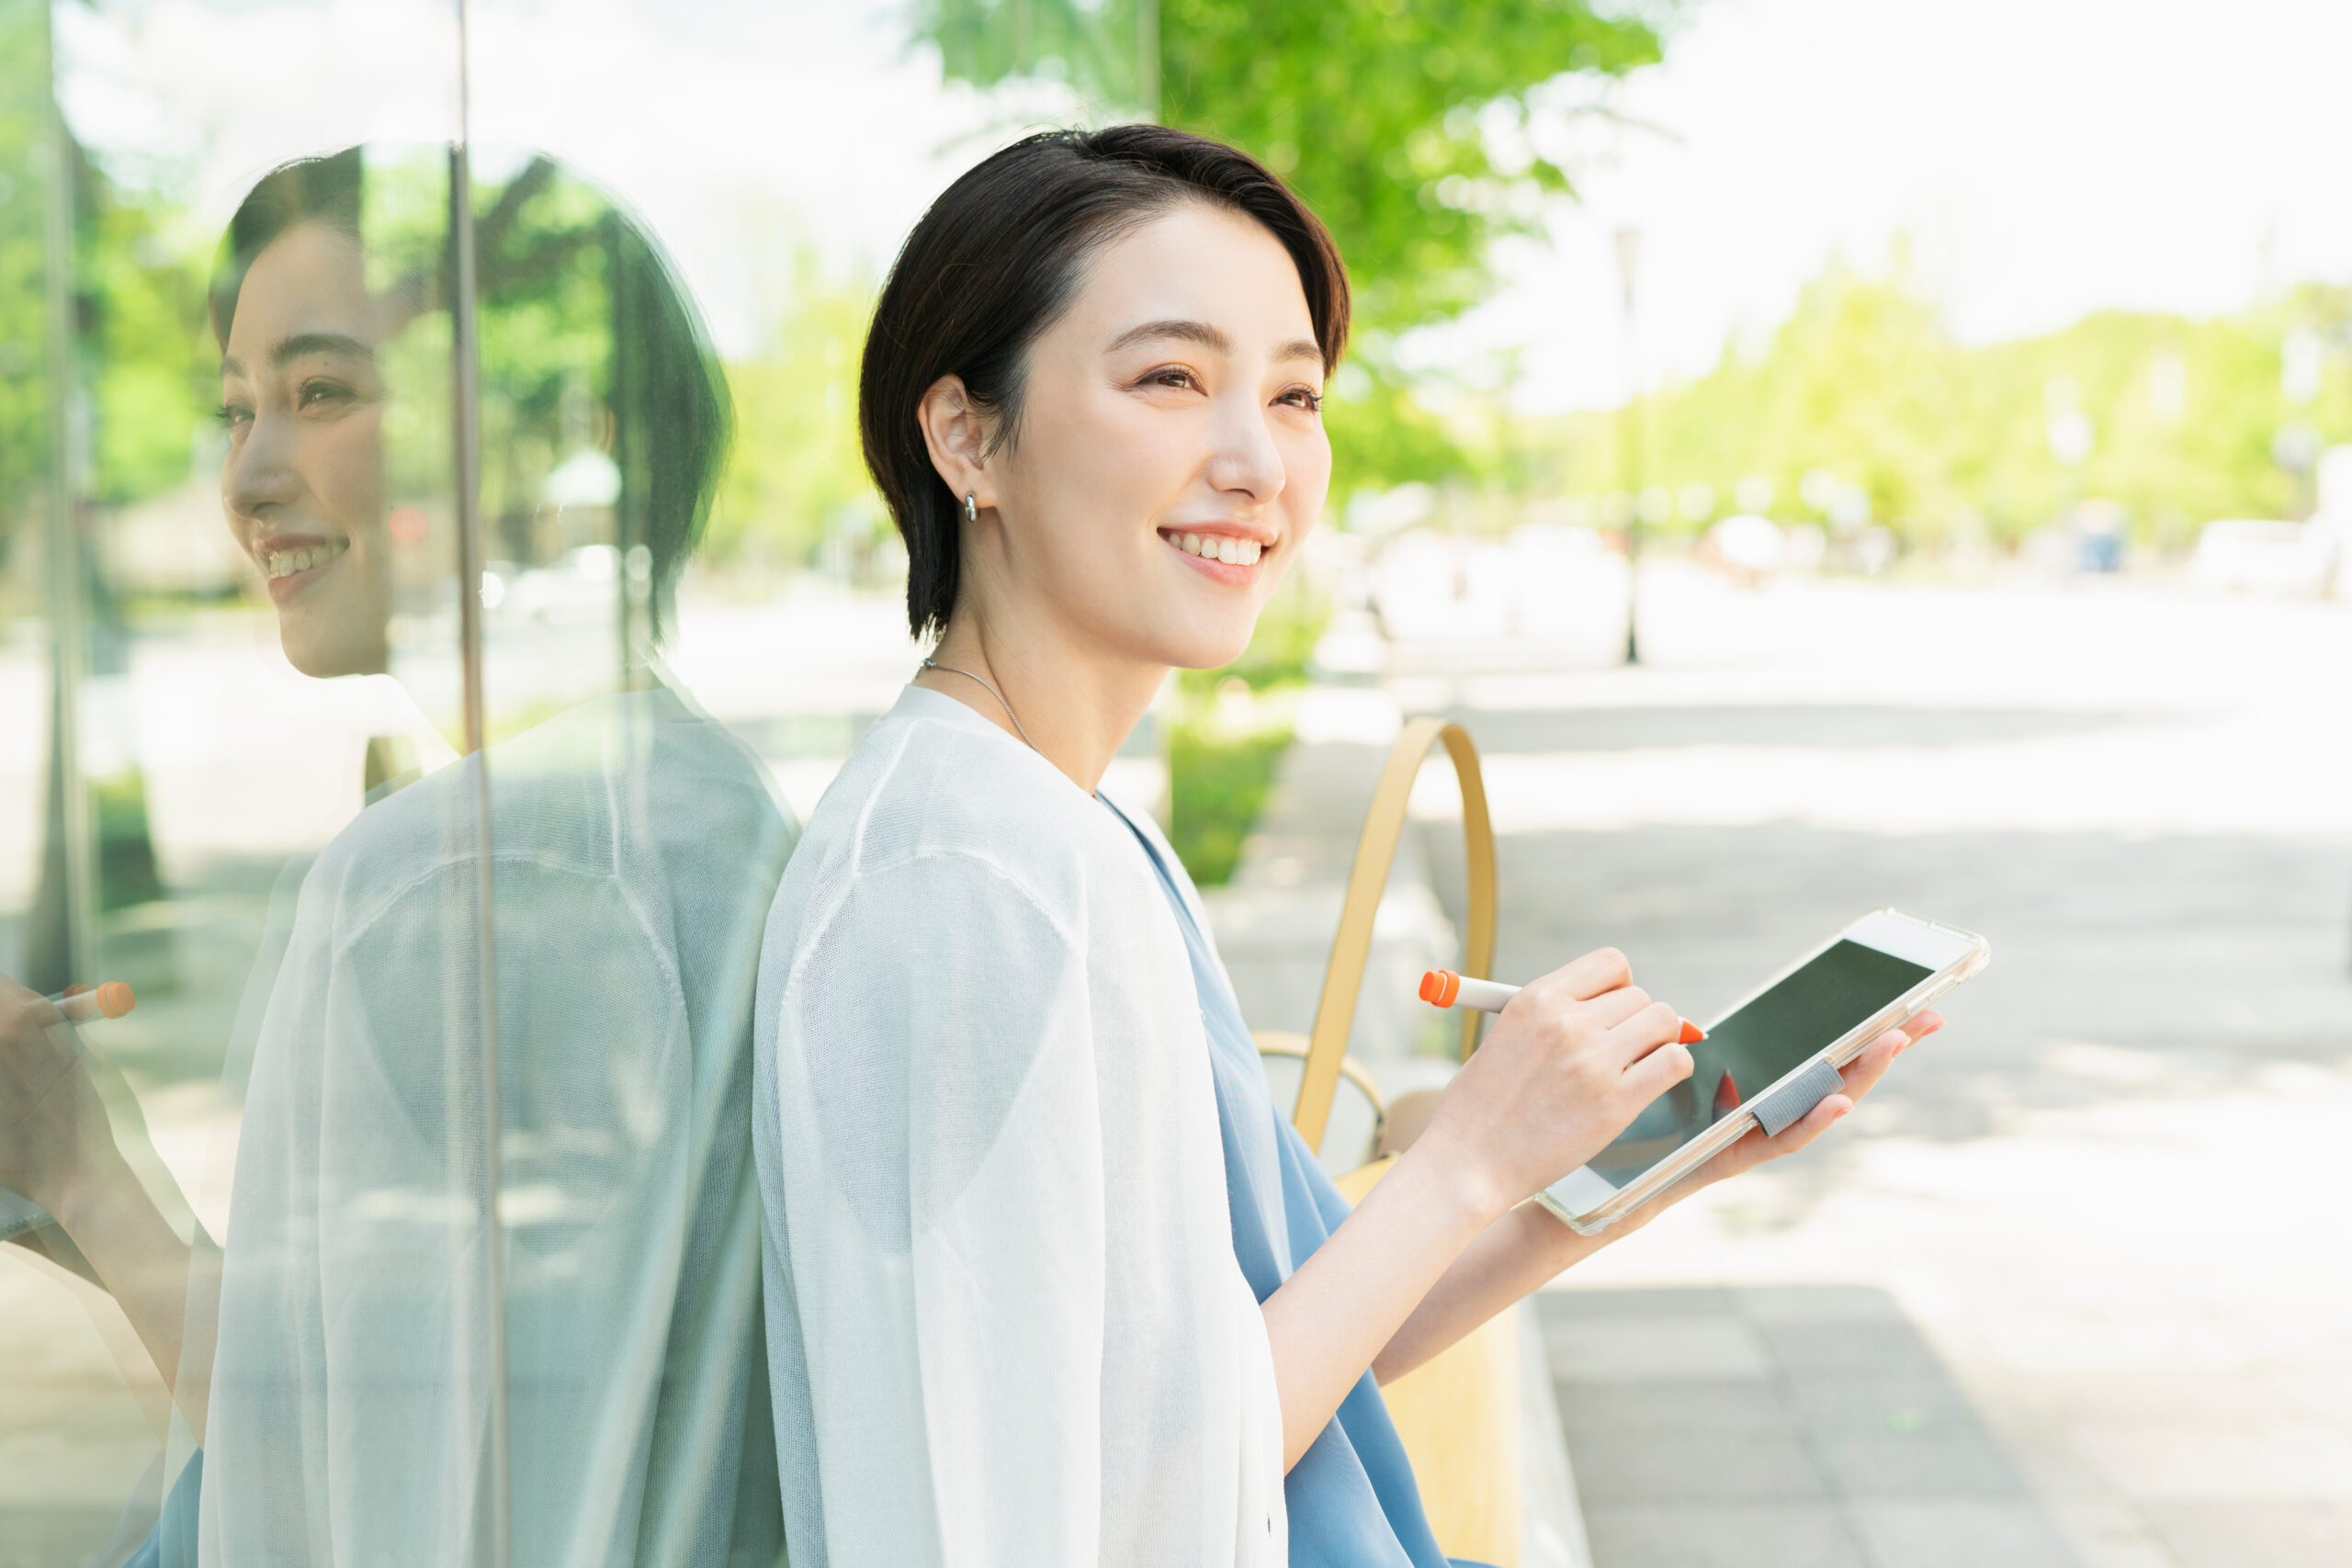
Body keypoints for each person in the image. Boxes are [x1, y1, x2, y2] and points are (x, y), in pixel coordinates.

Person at [753, 124, 1944, 1568]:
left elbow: (1289, 1356)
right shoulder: (968, 877)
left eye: (1296, 393)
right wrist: (1457, 1163)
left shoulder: (1065, 828)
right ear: (967, 436)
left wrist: (1627, 1168)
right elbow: (1115, 1510)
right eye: (1171, 379)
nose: (1257, 461)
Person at [0, 146, 796, 1565]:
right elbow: (479, 1416)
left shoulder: (451, 881)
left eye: (324, 394)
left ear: (555, 432)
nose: (249, 475)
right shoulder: (702, 799)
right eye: (237, 406)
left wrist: (85, 1176)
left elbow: (331, 1501)